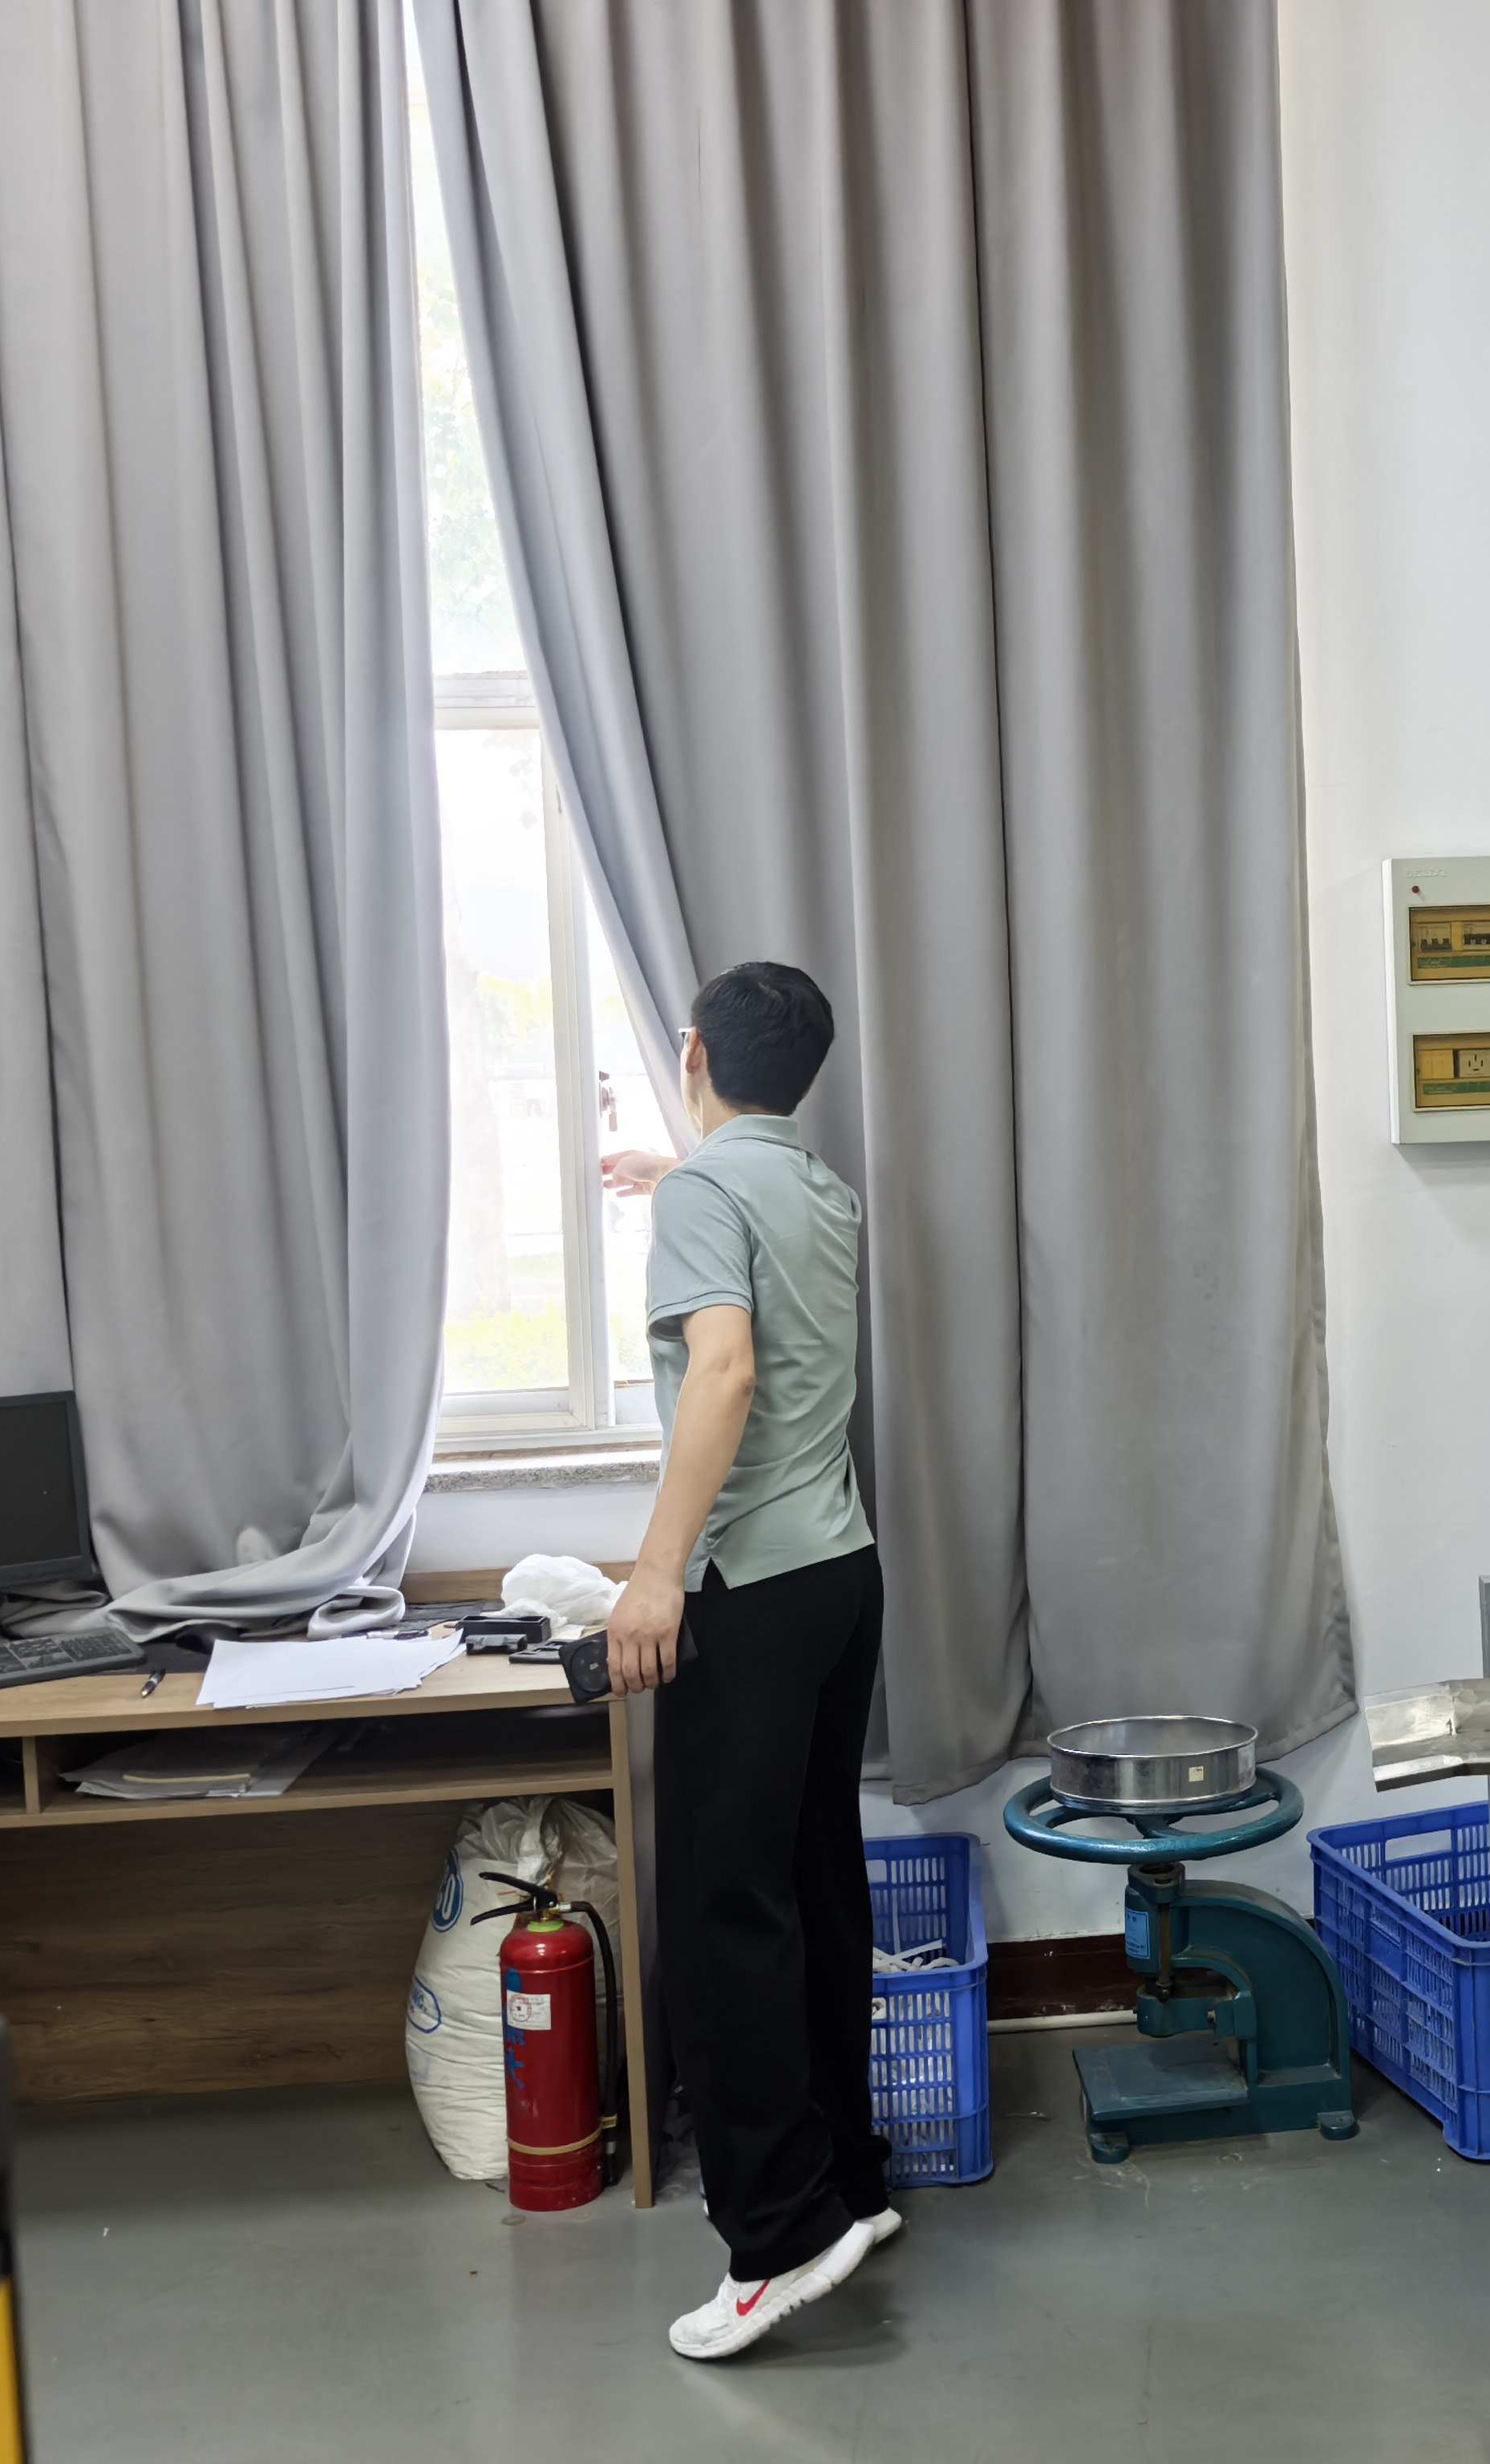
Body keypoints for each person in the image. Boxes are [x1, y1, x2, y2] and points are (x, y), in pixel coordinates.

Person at [601, 959, 897, 2356]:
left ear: (694, 1054)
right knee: (815, 1881)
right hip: (842, 1577)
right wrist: (677, 1175)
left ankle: (776, 2239)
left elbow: (722, 1371)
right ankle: (853, 2186)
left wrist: (656, 1572)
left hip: (751, 1590)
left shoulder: (704, 1198)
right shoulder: (815, 1188)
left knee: (726, 1914)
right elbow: (749, 1227)